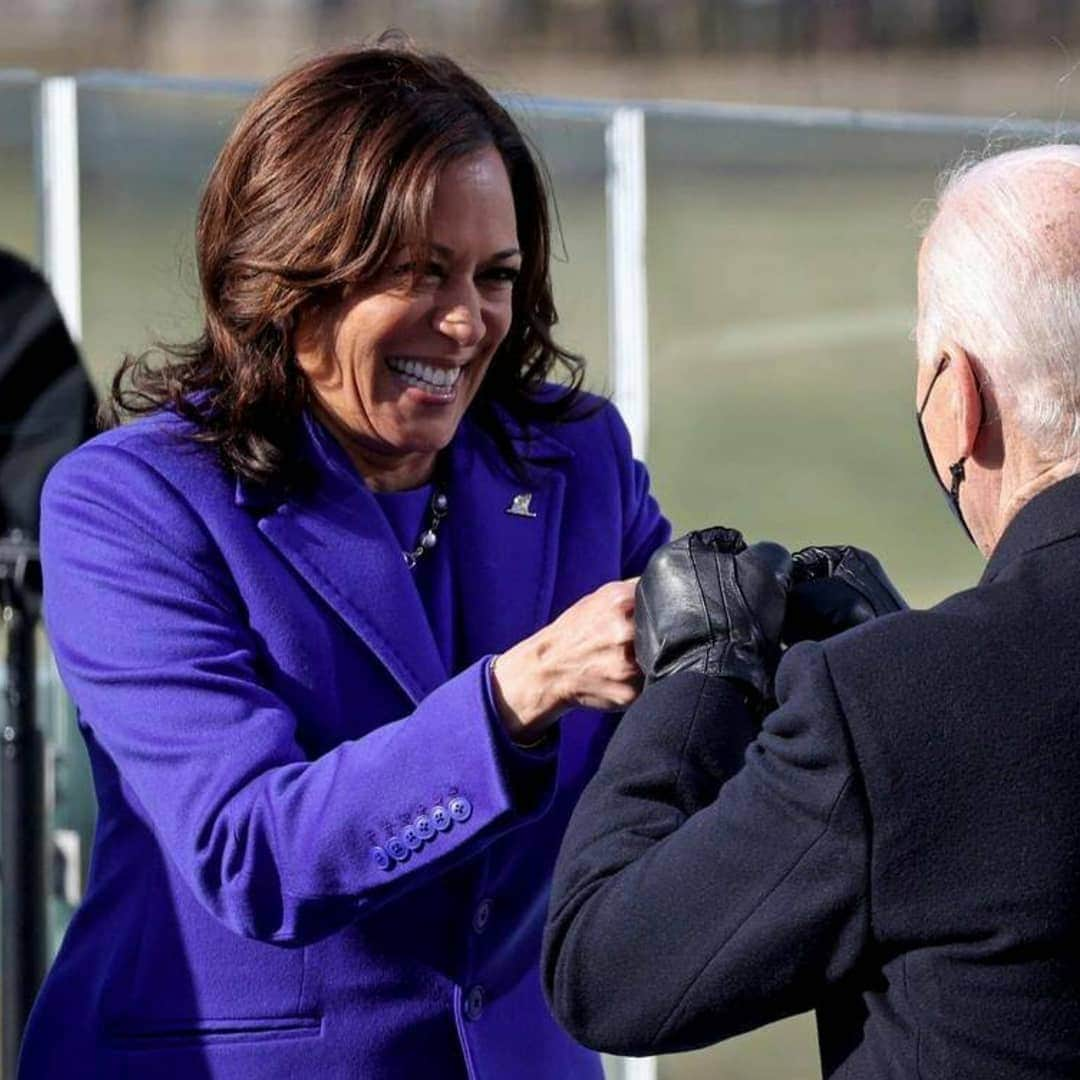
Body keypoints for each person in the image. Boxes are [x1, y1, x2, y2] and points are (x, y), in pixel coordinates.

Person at [19, 43, 669, 1080]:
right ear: (290, 276)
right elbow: (251, 855)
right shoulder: (127, 505)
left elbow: (680, 745)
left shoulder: (575, 462)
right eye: (419, 273)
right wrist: (513, 698)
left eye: (494, 276)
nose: (467, 323)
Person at [543, 143, 1080, 1079]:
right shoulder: (905, 699)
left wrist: (700, 683)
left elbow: (607, 969)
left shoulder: (890, 709)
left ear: (959, 400)